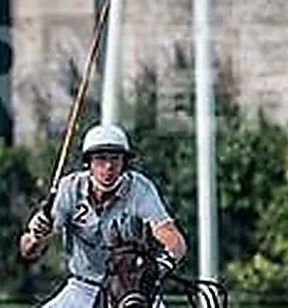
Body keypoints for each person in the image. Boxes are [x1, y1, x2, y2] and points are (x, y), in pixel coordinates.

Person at [18, 123, 186, 308]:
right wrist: (37, 237)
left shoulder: (140, 188)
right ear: (88, 163)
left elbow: (173, 239)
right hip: (82, 288)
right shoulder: (69, 188)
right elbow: (28, 251)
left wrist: (158, 267)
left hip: (130, 291)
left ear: (125, 163)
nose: (108, 167)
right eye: (100, 159)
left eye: (115, 158)